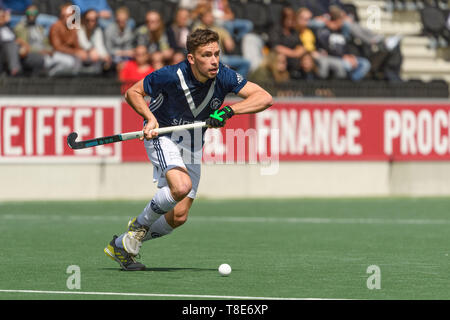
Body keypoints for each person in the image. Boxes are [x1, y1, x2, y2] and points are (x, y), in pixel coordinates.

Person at [104, 28, 273, 271]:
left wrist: (229, 110)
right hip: (162, 135)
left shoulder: (224, 76)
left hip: (193, 144)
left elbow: (264, 97)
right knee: (180, 187)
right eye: (206, 55)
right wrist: (149, 118)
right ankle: (138, 227)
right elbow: (133, 92)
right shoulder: (171, 75)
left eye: (216, 53)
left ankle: (122, 244)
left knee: (179, 216)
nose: (214, 60)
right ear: (192, 58)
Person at [193, 7, 250, 77]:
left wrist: (227, 38)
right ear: (202, 18)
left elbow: (223, 33)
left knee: (245, 63)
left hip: (222, 58)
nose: (210, 19)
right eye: (208, 17)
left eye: (211, 17)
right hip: (210, 59)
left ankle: (237, 84)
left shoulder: (215, 27)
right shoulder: (197, 28)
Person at [48, 3, 87, 76]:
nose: (66, 18)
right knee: (70, 62)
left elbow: (77, 45)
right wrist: (75, 52)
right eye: (63, 16)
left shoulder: (73, 27)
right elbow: (57, 47)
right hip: (55, 54)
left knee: (79, 61)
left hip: (70, 54)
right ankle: (51, 74)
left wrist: (80, 52)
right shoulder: (55, 26)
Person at [77, 9, 111, 74]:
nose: (90, 22)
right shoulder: (79, 29)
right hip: (79, 56)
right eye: (88, 20)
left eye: (93, 20)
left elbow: (100, 45)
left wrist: (105, 55)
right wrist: (91, 50)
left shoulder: (97, 30)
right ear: (84, 19)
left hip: (92, 57)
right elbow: (83, 43)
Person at [0, 6, 21, 75]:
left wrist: (24, 46)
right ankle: (14, 69)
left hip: (13, 51)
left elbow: (16, 39)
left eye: (4, 16)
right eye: (2, 16)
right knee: (11, 44)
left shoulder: (8, 29)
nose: (4, 18)